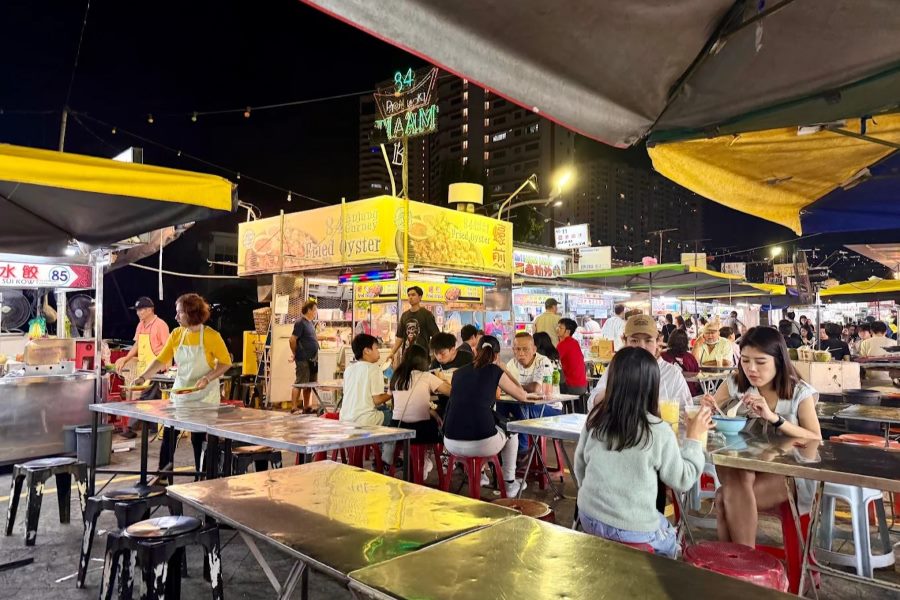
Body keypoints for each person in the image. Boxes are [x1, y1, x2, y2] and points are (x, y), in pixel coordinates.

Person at [575, 347, 712, 557]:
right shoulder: (657, 430)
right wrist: (694, 438)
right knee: (672, 543)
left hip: (588, 516)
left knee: (659, 522)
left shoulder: (596, 419)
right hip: (632, 529)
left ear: (612, 382)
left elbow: (580, 466)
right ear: (652, 386)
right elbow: (683, 480)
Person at [701, 326, 821, 547]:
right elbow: (712, 413)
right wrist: (708, 408)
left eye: (760, 362)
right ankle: (741, 568)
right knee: (738, 472)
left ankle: (739, 567)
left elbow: (815, 437)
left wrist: (774, 417)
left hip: (788, 472)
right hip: (744, 466)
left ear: (778, 360)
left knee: (724, 499)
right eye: (745, 361)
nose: (751, 369)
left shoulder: (798, 392)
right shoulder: (736, 384)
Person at [133, 293, 231, 474]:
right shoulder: (177, 334)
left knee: (198, 437)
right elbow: (161, 359)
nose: (176, 317)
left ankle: (201, 475)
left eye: (180, 313)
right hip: (181, 394)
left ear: (192, 314)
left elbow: (226, 363)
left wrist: (208, 378)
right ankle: (163, 475)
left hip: (204, 396)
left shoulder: (211, 336)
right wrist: (143, 376)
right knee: (170, 433)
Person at [443, 335, 529, 496]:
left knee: (483, 423)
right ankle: (509, 482)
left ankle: (480, 475)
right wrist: (504, 370)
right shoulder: (495, 370)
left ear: (475, 350)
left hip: (450, 442)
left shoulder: (458, 373)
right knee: (512, 431)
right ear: (496, 356)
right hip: (481, 443)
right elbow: (522, 395)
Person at [588, 315, 692, 412]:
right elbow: (592, 404)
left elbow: (686, 411)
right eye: (634, 340)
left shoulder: (672, 374)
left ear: (658, 341)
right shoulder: (616, 368)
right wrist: (616, 388)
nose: (642, 347)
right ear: (625, 341)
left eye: (648, 341)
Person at [390, 345, 449, 479]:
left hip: (396, 429)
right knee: (439, 418)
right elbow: (451, 391)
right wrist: (442, 378)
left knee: (432, 415)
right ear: (424, 361)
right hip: (421, 431)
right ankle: (425, 458)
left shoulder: (396, 377)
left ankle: (420, 461)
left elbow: (398, 404)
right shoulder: (427, 376)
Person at [115, 296, 170, 438]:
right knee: (154, 399)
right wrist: (126, 359)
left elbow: (168, 348)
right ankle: (154, 427)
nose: (138, 313)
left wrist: (168, 369)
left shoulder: (160, 325)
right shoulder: (141, 325)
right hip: (144, 368)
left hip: (157, 369)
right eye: (137, 310)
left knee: (145, 397)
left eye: (141, 310)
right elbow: (137, 345)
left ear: (150, 310)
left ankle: (131, 427)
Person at [341, 333, 392, 426]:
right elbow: (377, 400)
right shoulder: (374, 369)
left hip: (345, 419)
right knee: (393, 416)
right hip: (365, 420)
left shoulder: (349, 369)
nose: (378, 352)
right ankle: (388, 441)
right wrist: (390, 393)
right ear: (367, 351)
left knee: (383, 410)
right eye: (376, 348)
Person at [388, 286, 439, 366]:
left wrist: (435, 354)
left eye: (413, 295)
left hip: (422, 357)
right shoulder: (404, 315)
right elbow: (400, 337)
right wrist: (392, 352)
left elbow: (436, 335)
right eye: (409, 295)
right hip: (407, 356)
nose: (410, 297)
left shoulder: (427, 315)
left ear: (420, 297)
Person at [430, 332, 473, 415]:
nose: (439, 357)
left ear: (453, 350)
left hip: (464, 403)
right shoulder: (435, 363)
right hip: (443, 403)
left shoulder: (467, 358)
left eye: (443, 353)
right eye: (436, 353)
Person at [289, 300, 319, 414]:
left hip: (313, 359)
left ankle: (307, 406)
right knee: (300, 382)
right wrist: (296, 353)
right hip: (303, 359)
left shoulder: (310, 323)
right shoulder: (300, 322)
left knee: (309, 384)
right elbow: (292, 340)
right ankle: (294, 407)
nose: (316, 312)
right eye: (315, 309)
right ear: (309, 310)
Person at [659, 329, 701, 396]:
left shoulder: (662, 356)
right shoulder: (691, 358)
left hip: (668, 393)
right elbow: (698, 376)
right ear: (686, 342)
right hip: (689, 394)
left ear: (671, 340)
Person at [556, 318, 587, 397]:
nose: (557, 329)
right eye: (557, 326)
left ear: (568, 331)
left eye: (561, 328)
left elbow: (553, 361)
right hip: (582, 386)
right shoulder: (574, 342)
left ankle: (559, 408)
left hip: (571, 386)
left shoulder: (563, 344)